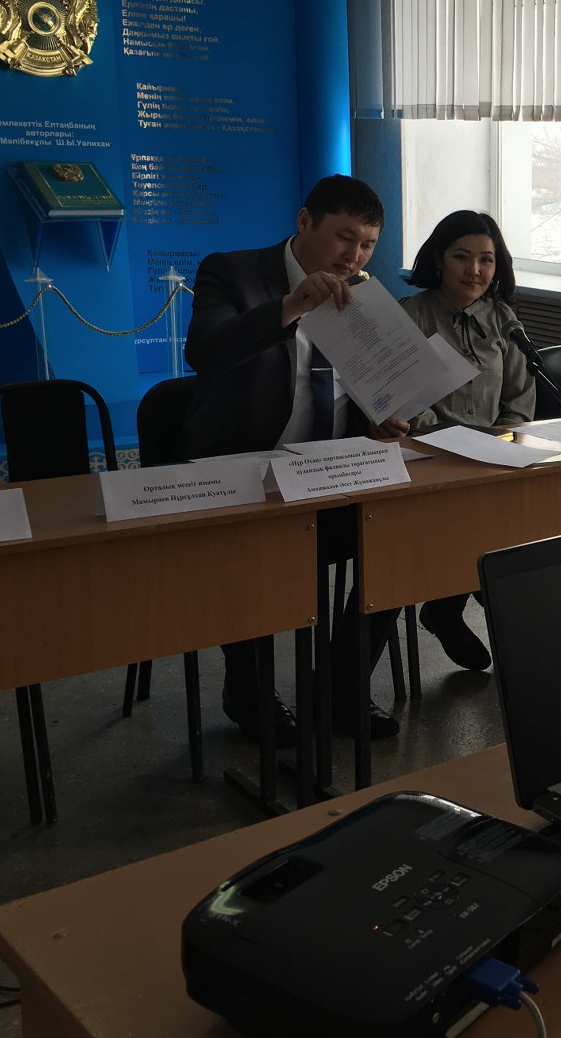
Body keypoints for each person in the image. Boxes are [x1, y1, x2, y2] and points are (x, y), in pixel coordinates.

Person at [180, 174, 407, 744]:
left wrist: (379, 418)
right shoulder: (231, 272)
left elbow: (360, 389)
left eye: (367, 245)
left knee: (405, 541)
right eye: (344, 237)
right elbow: (204, 351)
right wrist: (289, 307)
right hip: (248, 475)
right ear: (304, 220)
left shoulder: (365, 296)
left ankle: (340, 684)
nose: (354, 256)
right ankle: (248, 690)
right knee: (252, 553)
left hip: (329, 474)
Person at [398, 210, 534, 672]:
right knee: (476, 532)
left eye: (486, 260)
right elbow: (404, 400)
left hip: (493, 457)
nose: (474, 270)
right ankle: (449, 603)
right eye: (461, 257)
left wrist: (503, 440)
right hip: (425, 459)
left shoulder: (503, 318)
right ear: (439, 259)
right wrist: (448, 442)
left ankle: (447, 607)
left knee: (516, 531)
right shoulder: (411, 315)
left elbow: (520, 395)